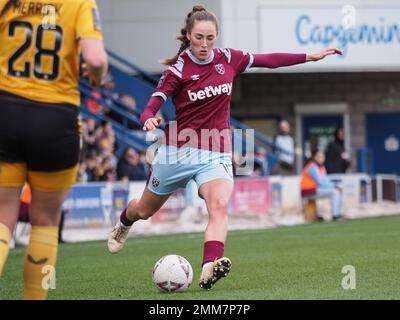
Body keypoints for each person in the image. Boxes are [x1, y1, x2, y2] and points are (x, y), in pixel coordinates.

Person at [107, 5, 341, 290]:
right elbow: (151, 106)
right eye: (198, 38)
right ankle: (123, 223)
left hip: (215, 149)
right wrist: (148, 120)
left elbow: (268, 60)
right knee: (143, 210)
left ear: (216, 37)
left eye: (210, 38)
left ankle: (209, 266)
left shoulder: (229, 58)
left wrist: (309, 56)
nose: (204, 44)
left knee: (218, 206)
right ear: (188, 36)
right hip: (178, 151)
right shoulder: (176, 71)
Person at [0, 0, 108, 300]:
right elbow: (96, 60)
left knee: (1, 217)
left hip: (5, 112)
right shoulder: (80, 4)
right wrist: (97, 78)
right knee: (46, 223)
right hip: (55, 119)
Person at [300, 150, 343, 220]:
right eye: (319, 157)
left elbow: (326, 180)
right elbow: (320, 182)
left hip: (314, 189)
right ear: (315, 157)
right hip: (308, 190)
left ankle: (338, 213)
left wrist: (335, 185)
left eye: (322, 157)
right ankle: (336, 215)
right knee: (335, 192)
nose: (321, 159)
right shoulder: (312, 167)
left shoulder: (321, 167)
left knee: (337, 190)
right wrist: (334, 186)